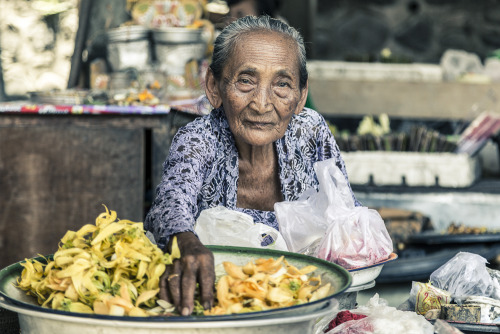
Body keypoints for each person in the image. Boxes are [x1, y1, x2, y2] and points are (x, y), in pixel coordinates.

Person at [144, 15, 360, 316]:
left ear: (301, 96)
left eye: (282, 84)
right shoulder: (199, 138)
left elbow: (345, 209)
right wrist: (185, 242)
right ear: (214, 86)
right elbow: (170, 205)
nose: (261, 103)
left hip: (304, 301)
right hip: (215, 304)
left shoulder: (310, 131)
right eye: (246, 80)